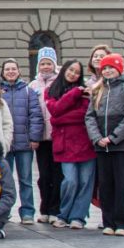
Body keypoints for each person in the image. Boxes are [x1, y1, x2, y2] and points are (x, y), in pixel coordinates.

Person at [85, 53, 124, 237]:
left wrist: (114, 137)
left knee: (123, 185)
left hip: (123, 145)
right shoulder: (98, 90)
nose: (108, 71)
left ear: (119, 69)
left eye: (111, 67)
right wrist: (97, 138)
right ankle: (108, 222)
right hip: (102, 146)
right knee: (106, 186)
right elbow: (90, 117)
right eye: (105, 68)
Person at [45, 59, 95, 230]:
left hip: (84, 142)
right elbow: (55, 111)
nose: (73, 74)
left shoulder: (86, 93)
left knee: (85, 182)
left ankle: (78, 217)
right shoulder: (50, 90)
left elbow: (82, 114)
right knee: (70, 181)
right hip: (64, 143)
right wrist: (74, 94)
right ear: (64, 69)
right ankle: (63, 214)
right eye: (71, 70)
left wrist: (60, 118)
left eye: (77, 72)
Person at [0, 59, 44, 225]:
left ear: (19, 71)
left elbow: (36, 116)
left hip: (24, 143)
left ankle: (27, 212)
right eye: (7, 69)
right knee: (5, 180)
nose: (10, 71)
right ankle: (5, 211)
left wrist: (34, 137)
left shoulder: (28, 91)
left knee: (26, 179)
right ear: (2, 72)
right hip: (5, 143)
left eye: (13, 69)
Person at [29, 47, 62, 223]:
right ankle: (45, 208)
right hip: (41, 137)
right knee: (44, 175)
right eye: (43, 63)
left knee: (58, 175)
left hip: (57, 136)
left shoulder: (60, 83)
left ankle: (56, 209)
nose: (46, 67)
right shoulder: (33, 85)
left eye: (49, 63)